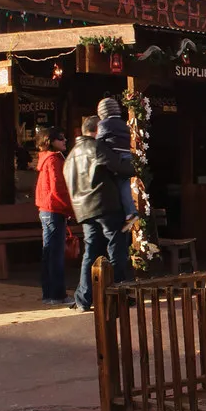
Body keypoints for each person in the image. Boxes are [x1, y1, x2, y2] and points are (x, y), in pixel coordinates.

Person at [64, 115, 135, 312]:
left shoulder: (71, 155)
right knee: (116, 250)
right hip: (106, 205)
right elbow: (120, 168)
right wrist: (135, 166)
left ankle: (83, 299)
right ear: (97, 130)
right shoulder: (96, 147)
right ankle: (118, 295)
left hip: (84, 210)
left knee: (91, 253)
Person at [35, 127, 74, 304]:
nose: (65, 140)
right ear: (50, 141)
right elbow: (58, 188)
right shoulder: (54, 160)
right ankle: (57, 295)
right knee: (55, 255)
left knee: (49, 253)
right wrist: (70, 209)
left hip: (47, 210)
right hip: (54, 210)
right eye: (61, 138)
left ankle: (49, 294)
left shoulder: (46, 159)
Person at [96, 97, 138, 232]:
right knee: (125, 184)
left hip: (117, 155)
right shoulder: (123, 123)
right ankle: (130, 211)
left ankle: (130, 213)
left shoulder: (104, 124)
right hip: (127, 156)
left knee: (119, 183)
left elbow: (99, 141)